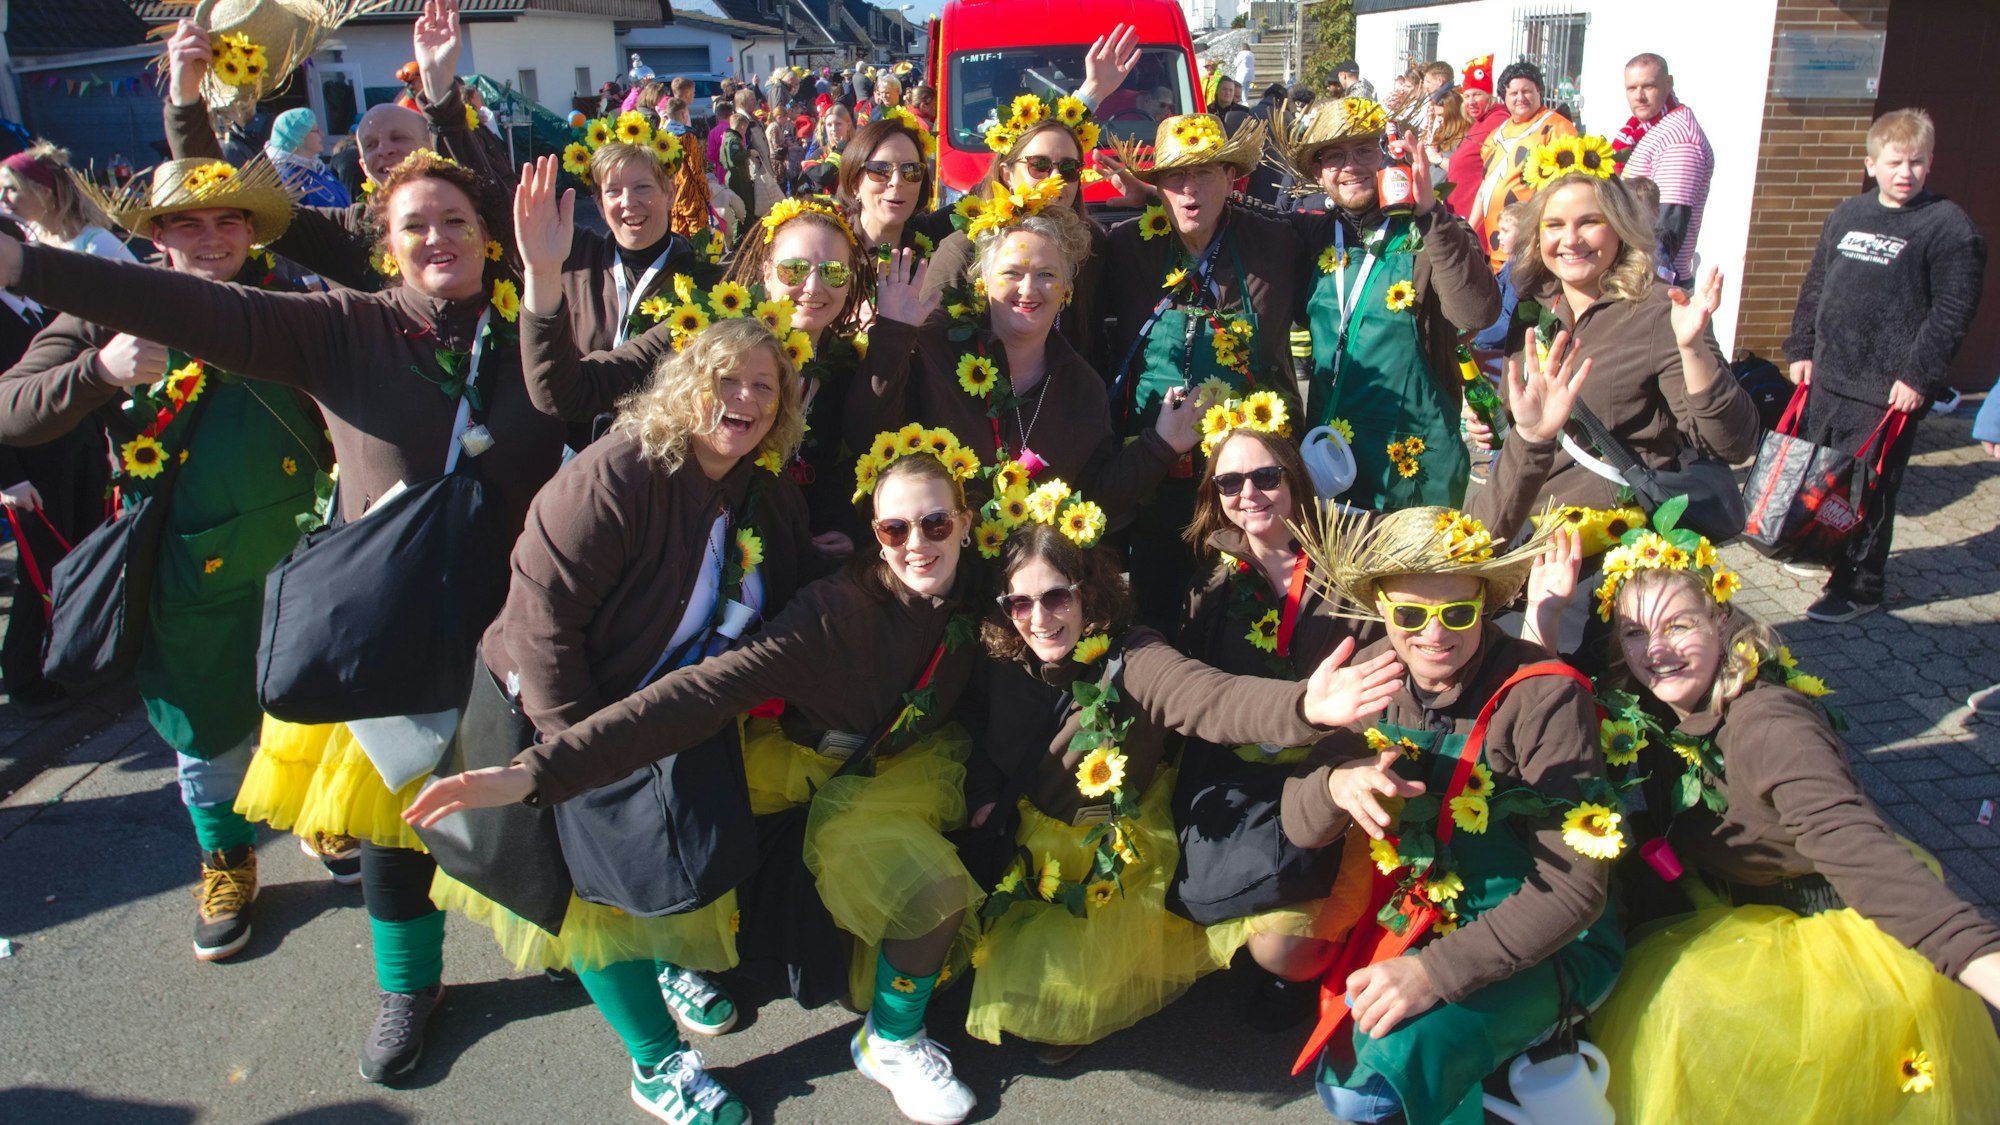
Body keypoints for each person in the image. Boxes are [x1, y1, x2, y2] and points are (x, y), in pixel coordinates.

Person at [0, 146, 568, 1082]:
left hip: (513, 620)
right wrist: (25, 266)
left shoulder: (538, 323)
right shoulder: (337, 325)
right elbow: (183, 304)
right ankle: (407, 988)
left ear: (490, 238)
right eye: (414, 225)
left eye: (458, 222)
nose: (438, 238)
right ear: (381, 247)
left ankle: (566, 950)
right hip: (384, 629)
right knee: (393, 829)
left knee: (526, 807)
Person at [409, 444, 996, 1125]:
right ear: (876, 535)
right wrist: (541, 767)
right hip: (760, 759)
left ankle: (886, 1029)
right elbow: (700, 693)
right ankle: (881, 1043)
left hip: (900, 769)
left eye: (935, 524)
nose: (917, 544)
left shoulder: (982, 586)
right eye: (895, 529)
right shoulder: (833, 612)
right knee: (921, 889)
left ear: (967, 522)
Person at [433, 312, 817, 1125]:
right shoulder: (620, 472)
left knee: (652, 873)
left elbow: (774, 573)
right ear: (685, 385)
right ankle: (656, 1065)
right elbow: (541, 625)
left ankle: (664, 959)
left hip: (653, 714)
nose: (743, 399)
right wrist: (582, 756)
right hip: (557, 713)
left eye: (763, 386)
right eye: (726, 379)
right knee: (592, 907)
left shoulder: (750, 480)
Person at [1525, 515, 2000, 1120]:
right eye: (1636, 632)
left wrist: (1983, 960)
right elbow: (1548, 717)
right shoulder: (1648, 693)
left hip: (1812, 937)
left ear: (1722, 618)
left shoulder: (1770, 726)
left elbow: (1860, 851)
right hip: (1715, 894)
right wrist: (1543, 611)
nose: (1658, 650)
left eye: (1678, 625)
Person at [0, 157, 326, 961]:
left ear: (252, 231)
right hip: (187, 570)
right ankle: (227, 858)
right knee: (207, 728)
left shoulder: (295, 300)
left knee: (316, 705)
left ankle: (324, 817)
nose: (213, 238)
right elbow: (10, 408)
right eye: (188, 221)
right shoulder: (112, 307)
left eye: (229, 221)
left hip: (305, 555)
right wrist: (96, 372)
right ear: (154, 234)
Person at [961, 489, 1404, 1059]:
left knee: (1061, 1007)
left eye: (1056, 597)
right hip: (1022, 832)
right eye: (1019, 603)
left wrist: (1304, 708)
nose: (1039, 619)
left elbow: (1211, 699)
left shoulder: (1136, 657)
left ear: (1088, 592)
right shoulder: (1000, 654)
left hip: (1111, 846)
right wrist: (983, 793)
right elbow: (972, 729)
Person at [1282, 505, 1623, 1125]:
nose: (1433, 634)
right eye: (1410, 614)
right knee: (1341, 1069)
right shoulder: (1372, 676)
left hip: (1555, 939)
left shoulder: (1546, 695)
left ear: (1485, 606)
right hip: (1431, 909)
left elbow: (1576, 891)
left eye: (1457, 613)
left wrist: (1435, 975)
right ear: (1382, 610)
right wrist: (1335, 784)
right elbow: (1298, 822)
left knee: (1369, 1094)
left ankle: (1537, 1035)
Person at [858, 201, 1194, 520]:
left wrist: (1161, 446)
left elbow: (1093, 496)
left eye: (1047, 274)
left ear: (1066, 289)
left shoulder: (1082, 388)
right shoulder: (933, 354)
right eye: (1012, 273)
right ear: (983, 281)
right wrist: (893, 336)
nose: (1029, 289)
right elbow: (868, 432)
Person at [1782, 108, 1986, 624]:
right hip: (1830, 377)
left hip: (1888, 389)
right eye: (1896, 162)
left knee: (1868, 491)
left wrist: (1920, 376)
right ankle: (1823, 550)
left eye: (1917, 162)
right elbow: (1816, 286)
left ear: (1930, 162)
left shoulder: (1948, 228)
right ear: (1871, 164)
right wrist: (1800, 347)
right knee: (1822, 480)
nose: (1906, 172)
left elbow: (1952, 312)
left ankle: (1860, 586)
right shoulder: (1848, 215)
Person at [1098, 111, 1302, 623]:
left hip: (1250, 478)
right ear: (1157, 185)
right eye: (1174, 177)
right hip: (1155, 470)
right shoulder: (1127, 245)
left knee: (1245, 614)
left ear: (1232, 178)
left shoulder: (1275, 242)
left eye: (1205, 173)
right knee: (1158, 608)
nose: (1189, 191)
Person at [1494, 143, 1757, 520]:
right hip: (1524, 521)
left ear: (1620, 227)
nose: (1570, 240)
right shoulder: (1533, 307)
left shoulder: (1659, 311)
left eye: (1589, 221)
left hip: (1607, 536)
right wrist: (1496, 420)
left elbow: (1732, 443)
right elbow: (1524, 417)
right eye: (1554, 225)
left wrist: (1693, 349)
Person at [162, 4, 489, 291]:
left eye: (398, 138)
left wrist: (439, 87)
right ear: (362, 166)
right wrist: (185, 102)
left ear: (430, 146)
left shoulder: (474, 212)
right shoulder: (348, 232)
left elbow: (487, 184)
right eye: (371, 145)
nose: (384, 150)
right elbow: (219, 195)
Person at [1275, 96, 1500, 510]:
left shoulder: (1435, 231)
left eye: (1365, 149)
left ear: (1387, 155)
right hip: (1332, 462)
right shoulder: (1310, 237)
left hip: (1419, 465)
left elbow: (1477, 313)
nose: (1351, 165)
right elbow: (1237, 215)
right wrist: (1152, 194)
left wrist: (1431, 212)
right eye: (1334, 155)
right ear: (1316, 171)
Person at [1616, 54, 1714, 289]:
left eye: (1648, 86)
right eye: (1632, 88)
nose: (1639, 96)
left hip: (1653, 279)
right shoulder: (1644, 130)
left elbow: (1667, 228)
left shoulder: (1679, 141)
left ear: (1669, 83)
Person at [1474, 61, 1576, 271]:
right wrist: (1470, 229)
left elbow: (1566, 186)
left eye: (1527, 91)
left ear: (1539, 91)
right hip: (1497, 245)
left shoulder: (1557, 128)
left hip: (1530, 247)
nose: (1520, 98)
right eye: (1514, 93)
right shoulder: (1496, 135)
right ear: (1504, 97)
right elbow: (1485, 186)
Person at [0, 145, 133, 261]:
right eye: (0, 189)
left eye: (12, 189)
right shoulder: (29, 235)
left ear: (45, 193)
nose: (2, 198)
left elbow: (139, 288)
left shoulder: (96, 243)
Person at [1444, 56, 1504, 224]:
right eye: (1467, 96)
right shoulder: (1481, 120)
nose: (1470, 102)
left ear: (1489, 97)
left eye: (1477, 95)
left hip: (1475, 221)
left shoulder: (1497, 120)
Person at [264, 107, 350, 208]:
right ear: (298, 136)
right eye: (316, 130)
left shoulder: (317, 168)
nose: (322, 135)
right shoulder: (287, 177)